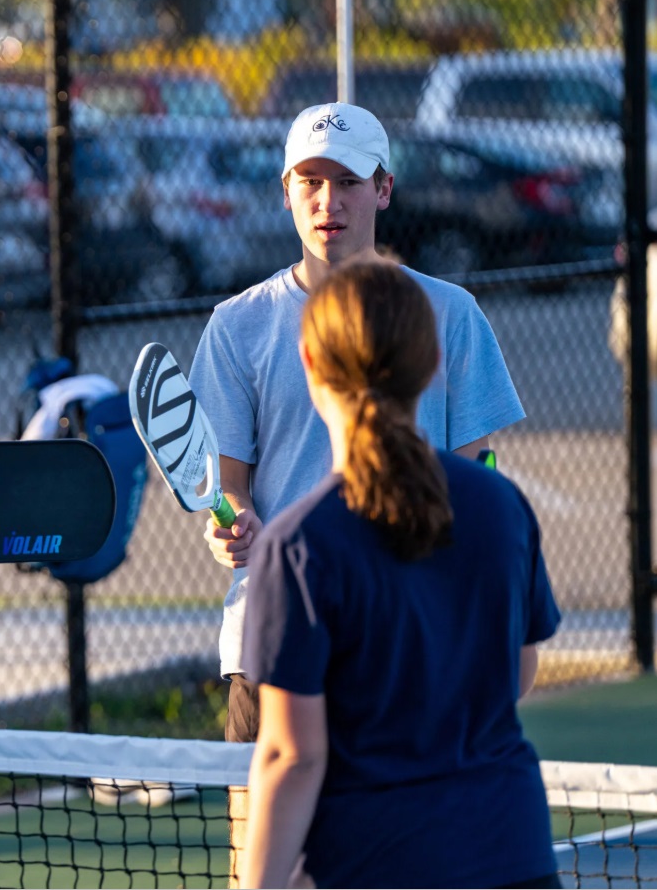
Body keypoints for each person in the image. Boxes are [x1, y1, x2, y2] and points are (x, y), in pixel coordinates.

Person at [188, 102, 526, 874]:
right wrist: (231, 524)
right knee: (266, 858)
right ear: (284, 191)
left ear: (384, 189)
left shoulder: (453, 315)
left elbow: (475, 480)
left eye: (347, 181)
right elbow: (229, 489)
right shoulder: (237, 326)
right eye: (309, 181)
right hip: (273, 632)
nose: (327, 201)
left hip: (412, 636)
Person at [238, 259, 561, 889]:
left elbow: (290, 756)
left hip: (377, 864)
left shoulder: (299, 546)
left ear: (308, 360)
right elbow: (517, 674)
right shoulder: (504, 507)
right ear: (433, 361)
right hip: (516, 855)